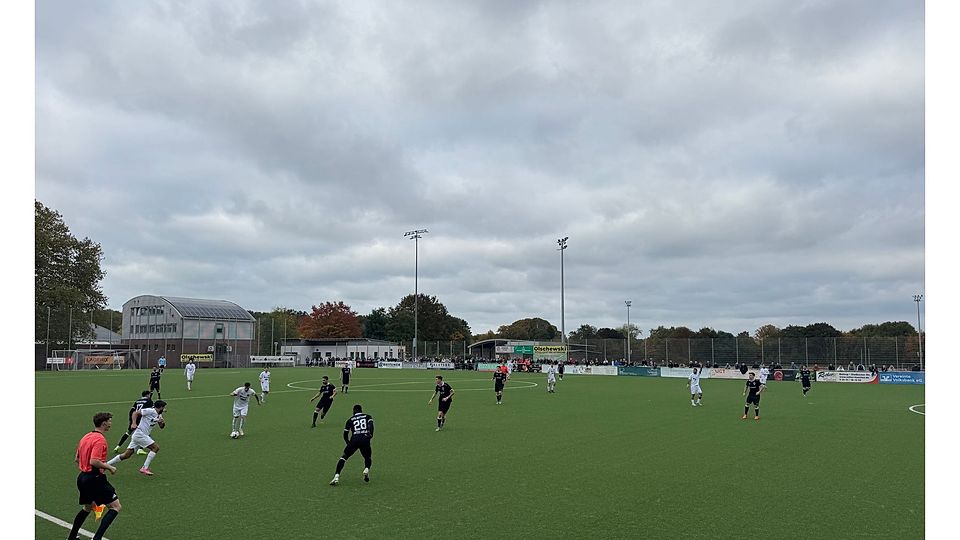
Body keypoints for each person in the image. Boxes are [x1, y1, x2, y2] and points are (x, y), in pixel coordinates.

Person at [68, 412, 121, 540]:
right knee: (115, 506)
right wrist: (110, 467)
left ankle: (72, 537)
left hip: (82, 477)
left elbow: (77, 458)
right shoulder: (100, 440)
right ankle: (97, 538)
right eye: (109, 421)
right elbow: (94, 461)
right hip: (94, 478)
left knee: (87, 507)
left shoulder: (86, 436)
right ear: (103, 423)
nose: (110, 424)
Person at [106, 400, 167, 476]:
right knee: (156, 448)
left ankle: (105, 465)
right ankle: (144, 467)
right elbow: (135, 413)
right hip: (140, 434)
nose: (164, 409)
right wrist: (134, 423)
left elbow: (161, 427)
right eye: (164, 407)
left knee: (126, 455)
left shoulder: (159, 415)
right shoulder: (150, 411)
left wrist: (162, 423)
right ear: (160, 407)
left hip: (140, 435)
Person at [329, 404, 374, 486]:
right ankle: (366, 469)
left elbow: (345, 433)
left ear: (354, 411)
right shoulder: (368, 416)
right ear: (361, 410)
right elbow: (371, 426)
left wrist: (348, 442)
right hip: (365, 439)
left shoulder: (350, 420)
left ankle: (336, 476)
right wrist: (370, 435)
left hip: (354, 440)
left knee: (344, 457)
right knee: (367, 457)